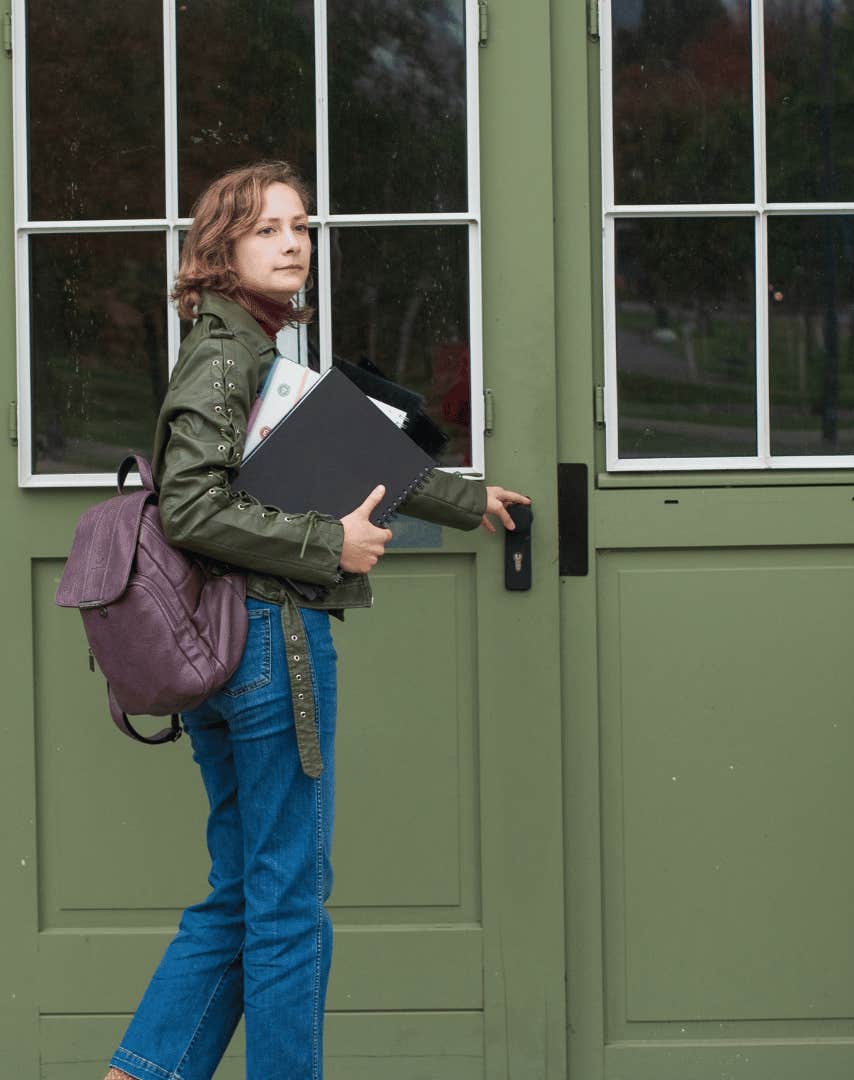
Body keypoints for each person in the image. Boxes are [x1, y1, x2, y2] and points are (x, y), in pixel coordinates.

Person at [103, 160, 529, 1080]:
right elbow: (189, 507)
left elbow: (327, 461)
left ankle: (139, 1074)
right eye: (267, 229)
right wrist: (327, 545)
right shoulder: (228, 355)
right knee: (289, 904)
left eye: (301, 225)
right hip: (265, 643)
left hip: (229, 650)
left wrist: (465, 498)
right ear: (220, 249)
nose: (293, 241)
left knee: (244, 896)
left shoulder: (250, 351)